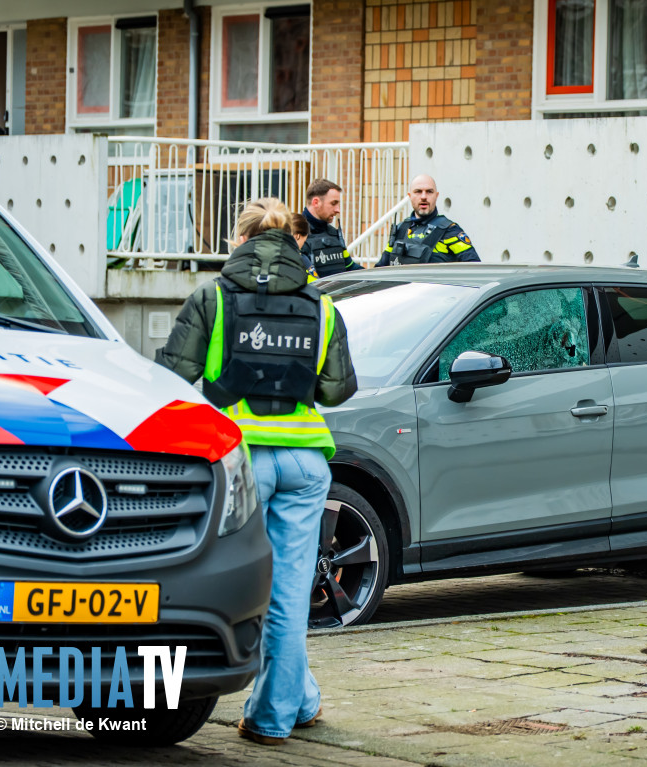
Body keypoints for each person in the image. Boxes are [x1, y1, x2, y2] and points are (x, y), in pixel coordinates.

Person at [156, 197, 357, 746]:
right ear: (294, 243)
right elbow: (339, 389)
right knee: (291, 594)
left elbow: (170, 378)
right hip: (305, 462)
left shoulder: (212, 299)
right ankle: (302, 699)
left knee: (248, 591)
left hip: (239, 460)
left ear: (239, 242)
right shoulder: (323, 307)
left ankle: (270, 717)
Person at [375, 174, 479, 266]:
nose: (424, 197)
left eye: (429, 192)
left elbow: (474, 270)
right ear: (410, 196)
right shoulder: (400, 229)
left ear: (436, 196)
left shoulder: (450, 231)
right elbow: (380, 270)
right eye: (418, 192)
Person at [301, 179, 361, 277]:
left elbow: (350, 267)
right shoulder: (296, 234)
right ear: (316, 202)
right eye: (333, 203)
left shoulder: (333, 233)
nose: (338, 210)